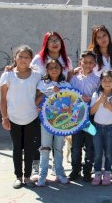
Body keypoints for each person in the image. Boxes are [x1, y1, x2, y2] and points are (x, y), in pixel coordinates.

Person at [30, 31, 73, 179]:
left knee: (58, 142)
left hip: (61, 110)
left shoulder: (66, 60)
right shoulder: (38, 59)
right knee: (42, 141)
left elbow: (70, 79)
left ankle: (57, 168)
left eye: (58, 40)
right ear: (46, 44)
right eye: (51, 40)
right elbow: (29, 74)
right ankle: (39, 170)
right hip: (42, 108)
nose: (55, 43)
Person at [0, 45, 41, 188]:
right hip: (13, 118)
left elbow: (43, 92)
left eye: (27, 57)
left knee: (29, 148)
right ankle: (18, 176)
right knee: (17, 147)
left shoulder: (36, 75)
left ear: (31, 59)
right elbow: (3, 99)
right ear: (15, 58)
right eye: (20, 56)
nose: (23, 60)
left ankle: (27, 177)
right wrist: (4, 118)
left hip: (31, 117)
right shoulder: (7, 75)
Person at [35, 59, 71, 186]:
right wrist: (47, 92)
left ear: (61, 69)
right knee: (45, 148)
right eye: (51, 67)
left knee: (59, 148)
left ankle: (60, 173)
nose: (54, 69)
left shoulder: (66, 84)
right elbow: (36, 102)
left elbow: (71, 104)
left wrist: (61, 95)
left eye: (57, 67)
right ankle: (42, 175)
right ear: (47, 70)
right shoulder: (42, 83)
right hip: (46, 122)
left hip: (61, 122)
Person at [68, 51, 100, 182]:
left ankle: (87, 170)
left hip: (91, 117)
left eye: (90, 62)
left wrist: (90, 100)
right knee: (76, 145)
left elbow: (98, 97)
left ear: (94, 64)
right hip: (76, 117)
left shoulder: (97, 80)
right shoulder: (74, 79)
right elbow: (69, 96)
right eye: (85, 62)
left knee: (90, 145)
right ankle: (75, 170)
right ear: (80, 62)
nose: (87, 65)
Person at [90, 70, 112, 186]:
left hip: (111, 128)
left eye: (110, 80)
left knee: (109, 152)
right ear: (100, 82)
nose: (107, 83)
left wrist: (110, 107)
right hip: (97, 128)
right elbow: (91, 112)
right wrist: (99, 101)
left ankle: (107, 173)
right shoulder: (96, 94)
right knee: (98, 153)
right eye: (104, 80)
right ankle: (98, 173)